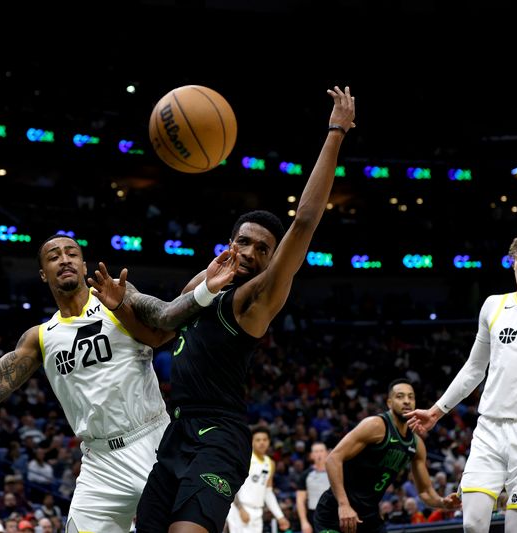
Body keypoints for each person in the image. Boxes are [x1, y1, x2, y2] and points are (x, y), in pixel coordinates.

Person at [88, 86, 356, 533]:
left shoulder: (256, 299)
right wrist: (121, 307)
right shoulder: (201, 284)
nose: (250, 252)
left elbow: (305, 220)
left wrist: (335, 132)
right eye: (244, 242)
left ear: (272, 262)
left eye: (263, 249)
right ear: (230, 244)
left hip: (222, 436)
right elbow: (157, 333)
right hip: (176, 435)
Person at [0, 238, 239, 533]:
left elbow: (167, 317)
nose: (64, 259)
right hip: (99, 462)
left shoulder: (117, 301)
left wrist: (206, 287)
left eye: (72, 253)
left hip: (151, 441)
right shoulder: (40, 337)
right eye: (54, 256)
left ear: (83, 265)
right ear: (43, 274)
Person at [407, 231, 517, 533]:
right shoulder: (493, 305)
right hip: (490, 429)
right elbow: (474, 368)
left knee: (516, 529)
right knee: (472, 524)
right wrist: (436, 411)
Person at [312, 379, 460, 533]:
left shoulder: (416, 445)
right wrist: (343, 505)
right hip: (334, 512)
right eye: (400, 396)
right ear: (389, 402)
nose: (406, 401)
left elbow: (425, 491)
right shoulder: (375, 425)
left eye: (411, 397)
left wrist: (443, 502)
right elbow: (333, 459)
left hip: (368, 516)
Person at [226, 426, 289, 532]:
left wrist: (280, 516)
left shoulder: (270, 463)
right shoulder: (244, 459)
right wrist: (240, 509)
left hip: (258, 512)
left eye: (264, 440)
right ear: (252, 442)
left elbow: (268, 493)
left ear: (269, 442)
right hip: (239, 509)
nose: (262, 443)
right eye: (258, 440)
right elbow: (230, 486)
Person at [296, 442, 331, 533]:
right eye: (315, 451)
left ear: (327, 453)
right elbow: (300, 500)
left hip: (333, 513)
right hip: (313, 515)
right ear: (311, 455)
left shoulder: (335, 472)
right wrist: (304, 522)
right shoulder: (305, 475)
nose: (319, 454)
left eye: (321, 451)